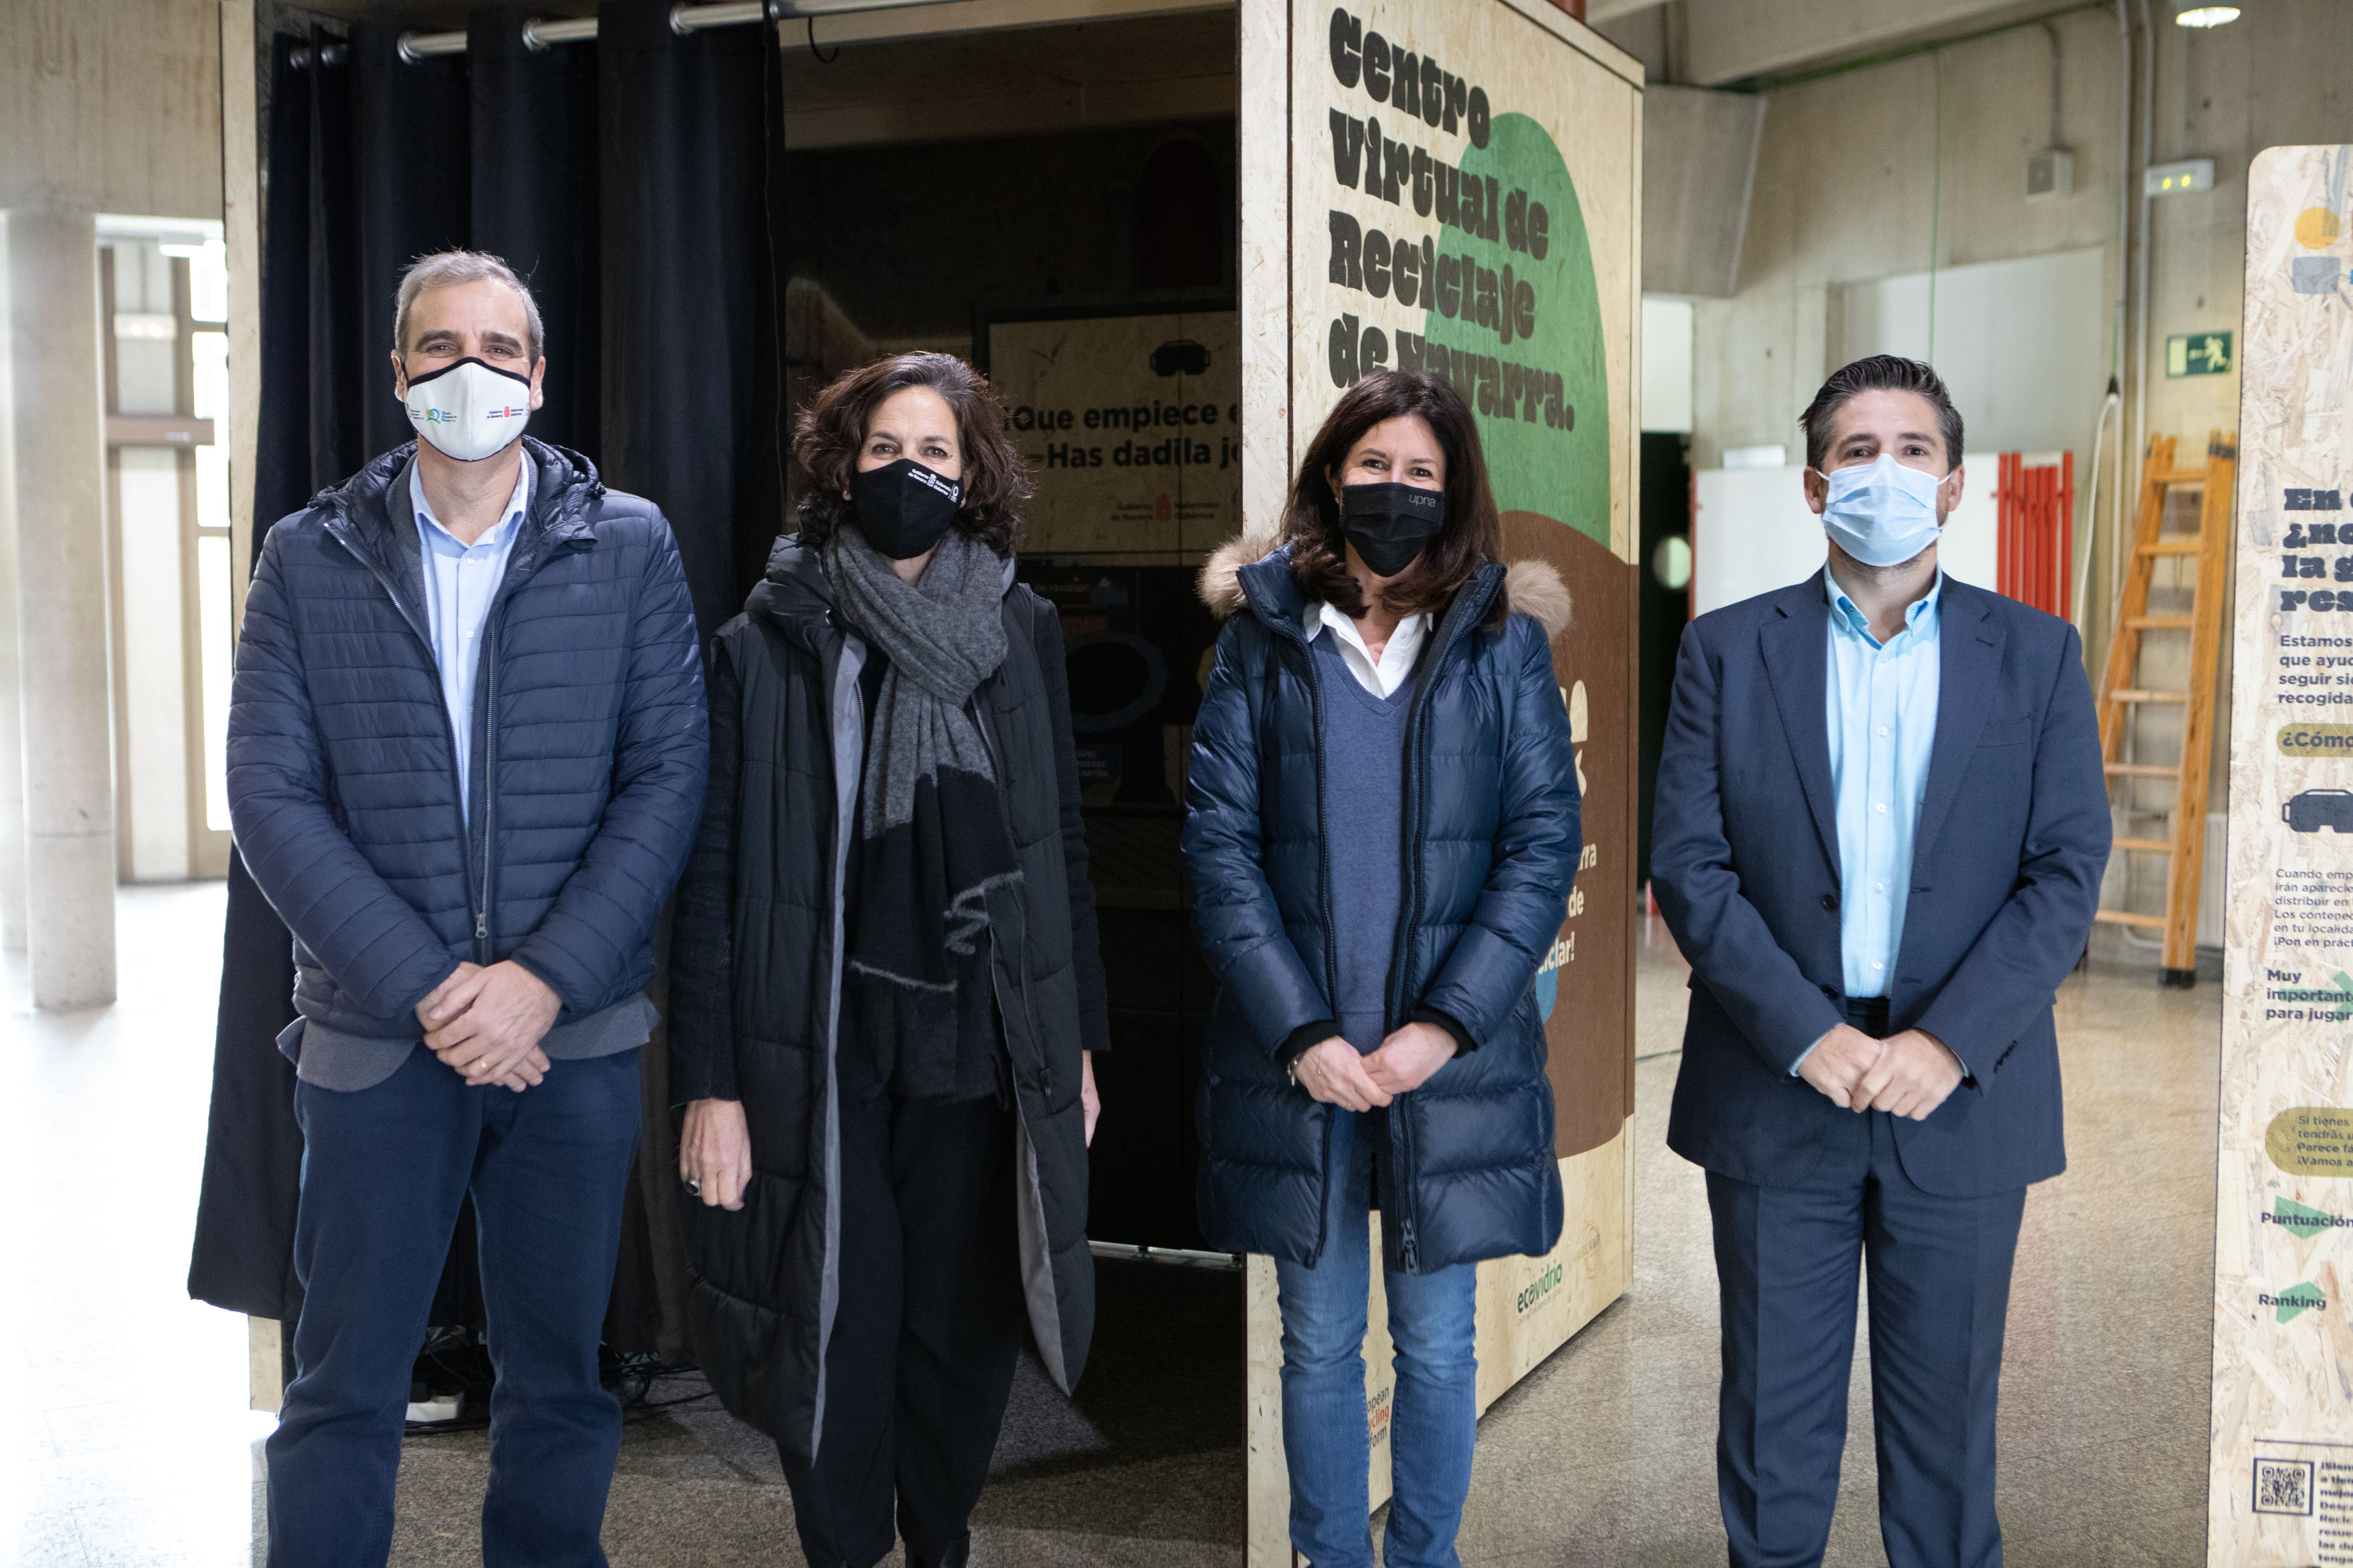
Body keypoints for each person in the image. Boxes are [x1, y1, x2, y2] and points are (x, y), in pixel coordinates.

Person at [232, 250, 708, 1567]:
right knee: (342, 1389)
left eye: (501, 349)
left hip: (573, 1036)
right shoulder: (308, 555)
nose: (471, 373)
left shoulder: (628, 545)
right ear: (400, 376)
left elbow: (667, 780)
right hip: (382, 1039)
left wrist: (540, 982)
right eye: (440, 349)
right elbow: (269, 796)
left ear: (540, 377)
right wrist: (437, 990)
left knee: (560, 1377)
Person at [1651, 354, 2111, 1568]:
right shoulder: (1726, 652)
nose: (1886, 473)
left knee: (1948, 1429)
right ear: (1814, 487)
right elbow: (1691, 868)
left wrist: (1946, 1044)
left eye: (1913, 450)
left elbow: (2064, 872)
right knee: (1771, 1423)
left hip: (1959, 1096)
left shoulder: (2038, 656)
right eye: (1857, 452)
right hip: (1774, 1080)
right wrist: (1808, 1034)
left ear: (1954, 486)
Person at [668, 351, 1108, 1568]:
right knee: (834, 1332)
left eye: (935, 452)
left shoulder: (1018, 629)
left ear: (973, 478)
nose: (908, 472)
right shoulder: (767, 642)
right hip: (819, 1049)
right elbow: (712, 876)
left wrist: (1075, 1042)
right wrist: (709, 1082)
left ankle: (941, 1539)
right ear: (839, 469)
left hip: (981, 1035)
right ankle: (846, 1549)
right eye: (883, 451)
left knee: (959, 1338)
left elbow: (1052, 845)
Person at [1183, 369, 1580, 1568]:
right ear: (1329, 477)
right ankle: (1329, 1558)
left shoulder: (1502, 641)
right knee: (1313, 1342)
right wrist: (1300, 1035)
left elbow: (1538, 846)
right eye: (1372, 467)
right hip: (1297, 1059)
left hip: (1440, 1066)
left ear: (1452, 491)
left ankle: (1422, 1557)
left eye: (1420, 472)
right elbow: (1219, 845)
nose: (1394, 491)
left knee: (1441, 1344)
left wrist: (1443, 1030)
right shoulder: (1261, 637)